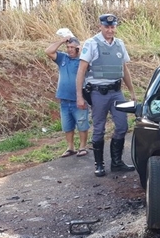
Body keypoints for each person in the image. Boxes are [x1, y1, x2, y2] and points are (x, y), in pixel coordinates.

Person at [76, 14, 136, 177]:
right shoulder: (91, 44)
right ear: (101, 27)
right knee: (99, 129)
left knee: (123, 126)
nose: (110, 30)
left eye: (112, 27)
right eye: (107, 27)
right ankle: (99, 164)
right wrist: (79, 96)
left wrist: (131, 91)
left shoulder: (119, 44)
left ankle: (116, 162)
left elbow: (124, 69)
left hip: (116, 92)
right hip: (98, 93)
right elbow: (81, 70)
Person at [45, 34, 90, 158]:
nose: (70, 49)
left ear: (78, 48)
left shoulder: (83, 61)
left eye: (72, 47)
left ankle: (82, 147)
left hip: (78, 99)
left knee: (82, 124)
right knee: (67, 125)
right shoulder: (63, 58)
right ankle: (70, 147)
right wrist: (61, 41)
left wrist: (81, 52)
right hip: (64, 99)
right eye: (68, 47)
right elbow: (48, 51)